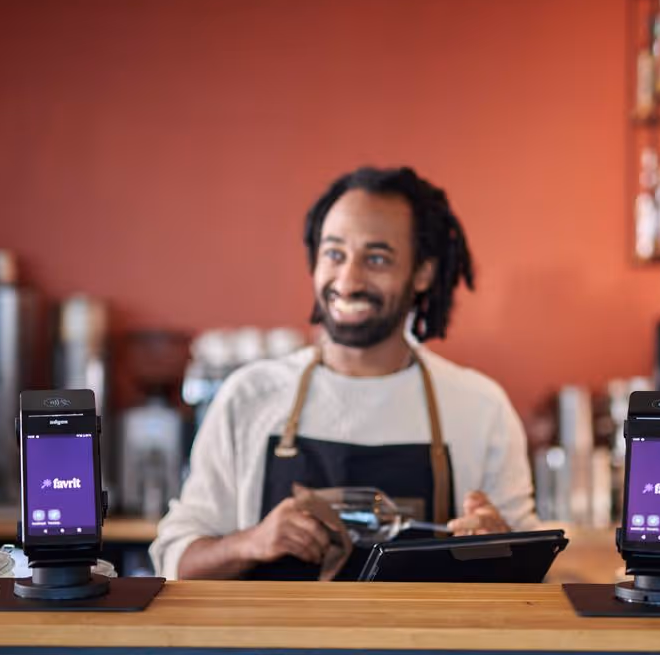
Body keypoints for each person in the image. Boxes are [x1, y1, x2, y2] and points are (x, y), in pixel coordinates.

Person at [150, 166, 539, 580]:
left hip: (420, 646)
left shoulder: (479, 408)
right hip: (277, 646)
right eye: (334, 254)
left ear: (423, 273)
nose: (348, 280)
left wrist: (499, 547)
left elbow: (533, 571)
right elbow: (176, 561)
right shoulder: (249, 397)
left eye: (377, 258)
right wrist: (251, 542)